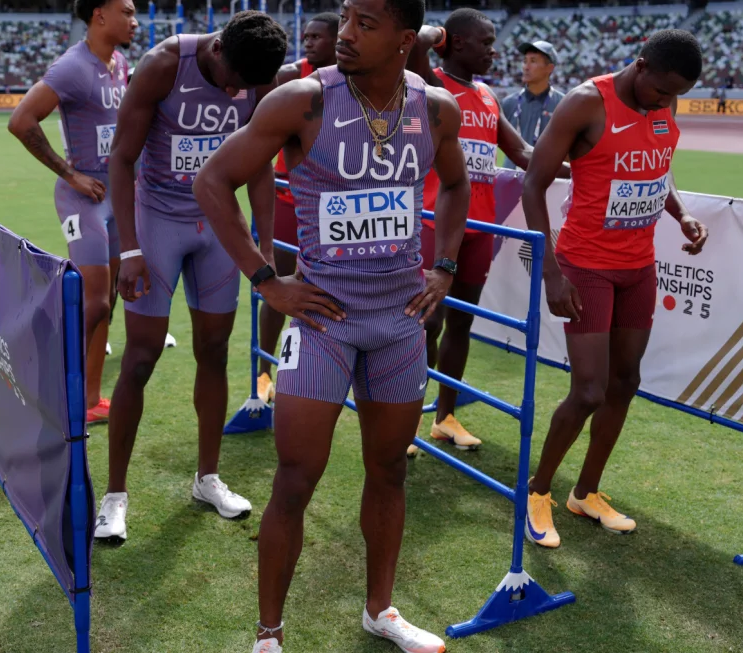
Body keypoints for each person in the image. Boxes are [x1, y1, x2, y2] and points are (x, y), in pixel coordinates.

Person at [193, 0, 470, 648]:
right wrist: (267, 281)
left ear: (404, 39)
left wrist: (446, 267)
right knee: (294, 476)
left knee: (389, 471)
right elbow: (213, 180)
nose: (344, 34)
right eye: (344, 18)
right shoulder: (302, 101)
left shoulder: (435, 110)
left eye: (364, 24)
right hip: (323, 323)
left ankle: (380, 609)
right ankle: (268, 634)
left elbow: (454, 185)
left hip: (400, 323)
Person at [95, 12, 289, 544]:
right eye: (230, 80)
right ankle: (114, 496)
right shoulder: (162, 66)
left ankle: (207, 478)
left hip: (219, 229)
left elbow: (262, 165)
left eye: (244, 88)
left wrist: (263, 249)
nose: (234, 93)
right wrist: (129, 249)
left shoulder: (257, 77)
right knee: (139, 359)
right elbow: (123, 158)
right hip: (159, 220)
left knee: (216, 349)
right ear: (218, 46)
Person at [518, 29, 709, 549]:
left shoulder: (663, 103)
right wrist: (551, 272)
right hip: (586, 266)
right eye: (662, 90)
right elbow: (533, 182)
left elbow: (657, 171)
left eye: (676, 96)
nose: (667, 102)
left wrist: (683, 214)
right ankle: (537, 494)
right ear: (641, 66)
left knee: (626, 382)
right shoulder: (586, 103)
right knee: (588, 390)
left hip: (638, 266)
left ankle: (586, 492)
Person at [405, 9, 567, 453]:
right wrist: (438, 33)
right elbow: (414, 43)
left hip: (480, 226)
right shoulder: (431, 84)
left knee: (461, 324)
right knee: (425, 323)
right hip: (435, 223)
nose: (494, 51)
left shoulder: (488, 96)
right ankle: (404, 422)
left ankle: (445, 417)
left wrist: (585, 170)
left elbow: (521, 152)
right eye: (485, 42)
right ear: (457, 43)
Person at [7, 0, 137, 425]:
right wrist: (71, 174)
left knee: (109, 300)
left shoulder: (119, 62)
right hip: (83, 198)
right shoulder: (71, 67)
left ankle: (91, 399)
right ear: (100, 14)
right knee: (95, 301)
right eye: (127, 12)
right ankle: (51, 389)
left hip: (116, 196)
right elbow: (21, 120)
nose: (134, 21)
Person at [256, 12, 340, 404]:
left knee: (327, 289)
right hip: (290, 200)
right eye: (305, 36)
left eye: (317, 37)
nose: (307, 42)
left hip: (335, 207)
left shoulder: (356, 81)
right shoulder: (291, 76)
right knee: (281, 282)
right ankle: (263, 372)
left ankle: (319, 370)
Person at [501, 39, 564, 152]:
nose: (526, 66)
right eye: (525, 61)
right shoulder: (508, 103)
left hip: (546, 170)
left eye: (533, 61)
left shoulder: (564, 104)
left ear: (549, 68)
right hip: (510, 170)